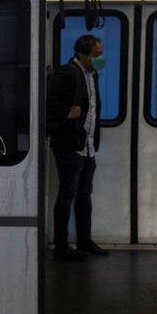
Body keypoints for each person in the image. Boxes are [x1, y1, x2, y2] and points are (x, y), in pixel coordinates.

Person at [46, 34, 109, 261]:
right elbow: (48, 101)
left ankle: (85, 240)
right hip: (69, 146)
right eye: (96, 55)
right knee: (67, 193)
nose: (100, 59)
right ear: (82, 55)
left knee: (84, 194)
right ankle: (61, 246)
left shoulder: (92, 75)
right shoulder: (67, 73)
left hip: (88, 145)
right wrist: (66, 113)